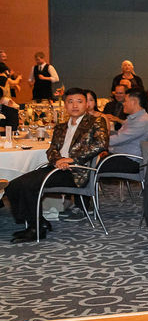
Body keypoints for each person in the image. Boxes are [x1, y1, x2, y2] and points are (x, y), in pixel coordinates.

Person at [5, 88, 108, 243]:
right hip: (57, 167)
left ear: (86, 104)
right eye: (70, 102)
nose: (75, 105)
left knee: (29, 185)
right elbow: (52, 149)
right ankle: (37, 222)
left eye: (79, 101)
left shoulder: (95, 122)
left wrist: (72, 160)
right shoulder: (60, 127)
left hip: (76, 171)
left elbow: (101, 144)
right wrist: (57, 161)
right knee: (13, 185)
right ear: (65, 105)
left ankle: (36, 229)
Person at [107, 89, 148, 165]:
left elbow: (119, 139)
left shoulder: (142, 121)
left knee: (95, 164)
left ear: (134, 102)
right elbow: (121, 135)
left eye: (125, 101)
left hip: (130, 160)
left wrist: (98, 140)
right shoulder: (135, 118)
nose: (123, 104)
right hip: (121, 156)